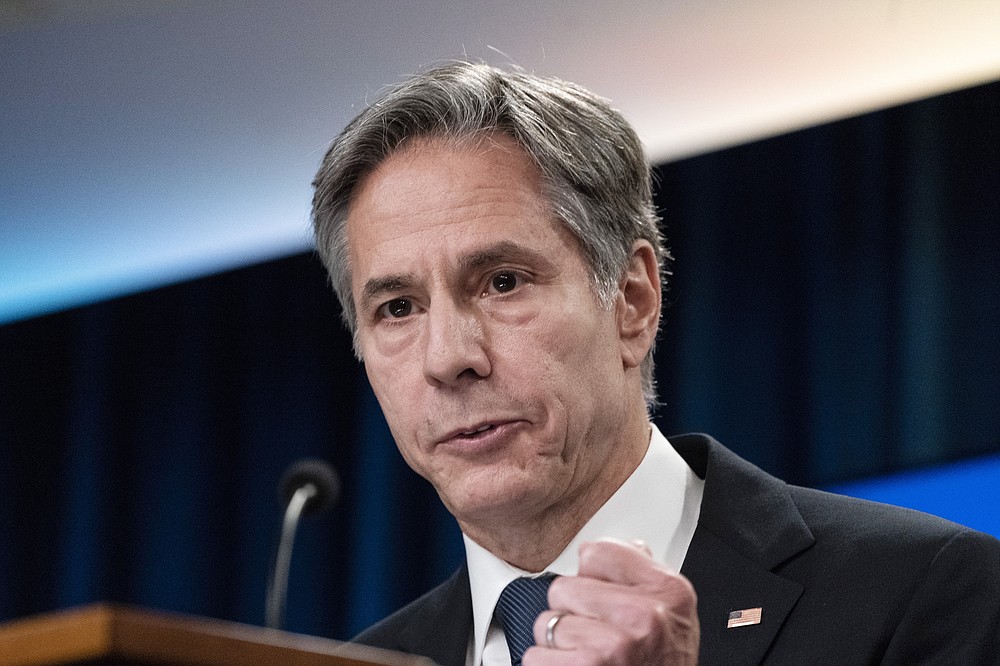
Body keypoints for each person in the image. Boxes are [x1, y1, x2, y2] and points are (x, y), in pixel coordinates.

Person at [311, 62, 1000, 665]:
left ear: (632, 300)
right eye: (398, 308)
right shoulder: (364, 664)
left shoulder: (924, 590)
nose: (449, 359)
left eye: (503, 282)